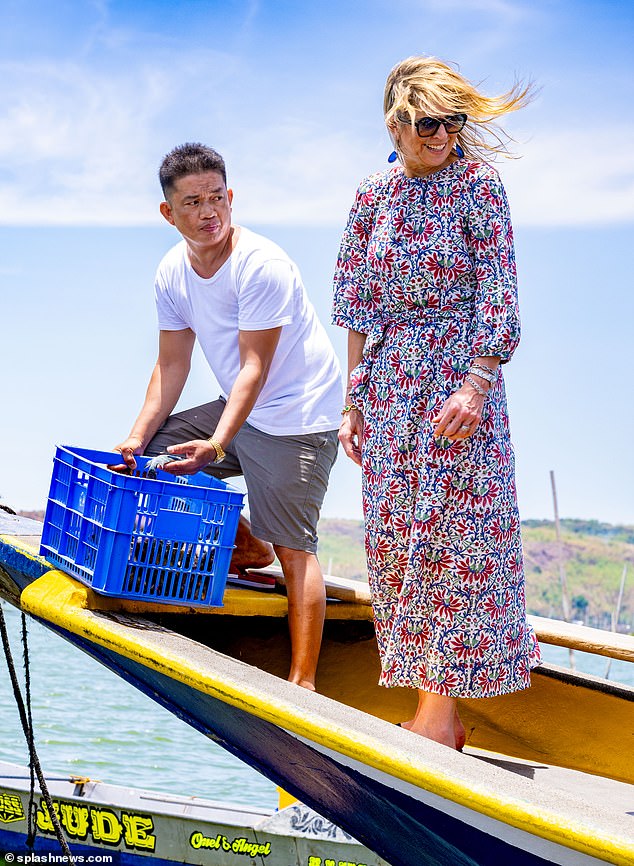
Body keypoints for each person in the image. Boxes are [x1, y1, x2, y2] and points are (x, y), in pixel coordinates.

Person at [333, 56, 541, 749]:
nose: (442, 135)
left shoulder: (479, 186)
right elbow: (356, 308)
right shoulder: (371, 197)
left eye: (453, 122)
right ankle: (435, 713)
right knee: (399, 544)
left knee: (453, 542)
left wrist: (477, 384)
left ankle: (439, 716)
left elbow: (500, 293)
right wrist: (352, 401)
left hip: (459, 391)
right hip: (390, 389)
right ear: (394, 122)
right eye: (428, 123)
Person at [116, 143, 342, 691]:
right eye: (193, 202)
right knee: (150, 460)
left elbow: (254, 368)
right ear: (169, 214)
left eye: (217, 197)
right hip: (243, 410)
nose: (208, 211)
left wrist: (217, 444)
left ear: (231, 197)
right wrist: (136, 436)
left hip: (297, 414)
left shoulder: (260, 265)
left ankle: (303, 683)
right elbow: (171, 364)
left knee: (295, 549)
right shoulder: (172, 271)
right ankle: (247, 546)